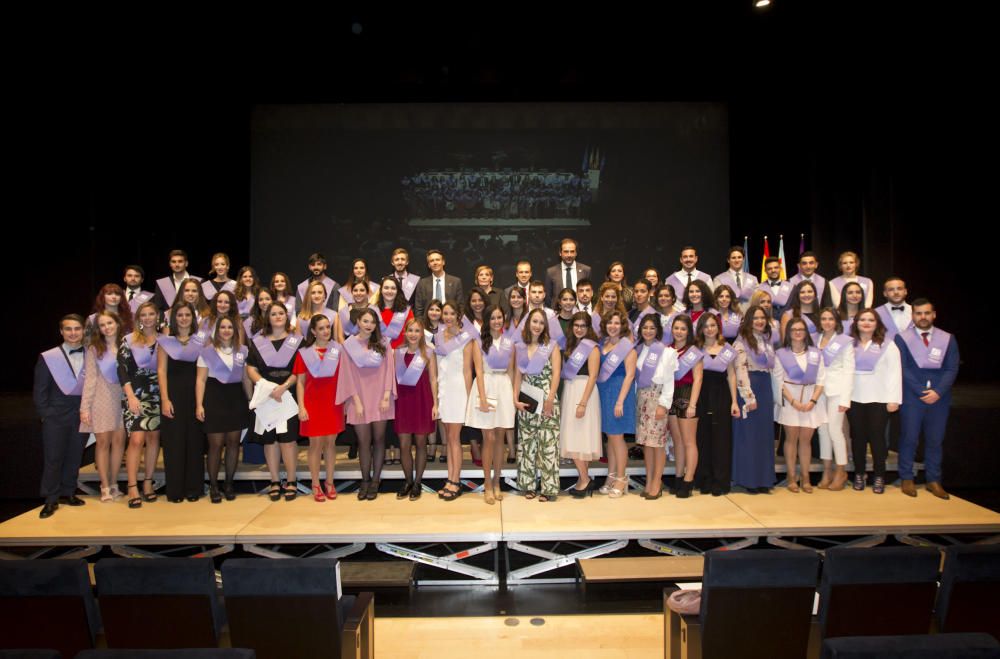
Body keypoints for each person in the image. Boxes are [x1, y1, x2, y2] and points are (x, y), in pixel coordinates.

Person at [895, 299, 958, 499]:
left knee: (935, 440)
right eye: (919, 313)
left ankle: (933, 480)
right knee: (909, 438)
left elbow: (952, 368)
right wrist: (921, 391)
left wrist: (938, 391)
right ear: (913, 315)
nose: (923, 317)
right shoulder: (902, 338)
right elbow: (902, 368)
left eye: (927, 313)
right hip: (912, 396)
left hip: (940, 398)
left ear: (934, 314)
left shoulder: (947, 338)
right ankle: (906, 477)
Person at [336, 308, 398, 500]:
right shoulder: (349, 345)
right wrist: (356, 400)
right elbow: (347, 374)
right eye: (365, 321)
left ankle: (376, 481)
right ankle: (364, 480)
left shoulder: (384, 343)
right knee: (363, 442)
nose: (369, 325)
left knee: (379, 440)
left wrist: (387, 395)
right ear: (359, 322)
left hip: (380, 397)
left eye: (372, 322)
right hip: (359, 399)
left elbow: (389, 369)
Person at [34, 314, 89, 518]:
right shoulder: (48, 357)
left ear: (83, 330)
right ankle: (51, 499)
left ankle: (69, 492)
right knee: (54, 458)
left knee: (75, 456)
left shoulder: (91, 354)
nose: (73, 333)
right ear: (61, 331)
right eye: (68, 329)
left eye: (77, 329)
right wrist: (46, 414)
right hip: (56, 415)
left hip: (82, 413)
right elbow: (40, 390)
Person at [246, 303, 301, 502]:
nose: (277, 317)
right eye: (273, 314)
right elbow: (250, 368)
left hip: (288, 393)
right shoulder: (258, 341)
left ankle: (292, 480)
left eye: (281, 313)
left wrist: (283, 387)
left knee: (288, 440)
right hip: (266, 394)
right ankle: (275, 481)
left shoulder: (297, 341)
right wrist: (264, 385)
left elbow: (299, 370)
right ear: (267, 317)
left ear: (286, 317)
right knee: (270, 440)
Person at [196, 316, 251, 503]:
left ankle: (228, 483)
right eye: (223, 327)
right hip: (214, 398)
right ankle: (213, 485)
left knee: (234, 443)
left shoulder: (243, 350)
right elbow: (200, 380)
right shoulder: (207, 352)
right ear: (216, 330)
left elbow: (245, 378)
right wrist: (199, 404)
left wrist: (251, 399)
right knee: (216, 444)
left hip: (236, 398)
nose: (226, 330)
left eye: (230, 327)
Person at [848, 309, 902, 494]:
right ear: (856, 322)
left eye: (871, 320)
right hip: (854, 398)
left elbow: (895, 373)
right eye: (862, 319)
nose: (866, 323)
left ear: (877, 323)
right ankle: (859, 474)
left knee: (877, 439)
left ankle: (879, 475)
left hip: (879, 399)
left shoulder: (888, 345)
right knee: (858, 439)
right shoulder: (849, 345)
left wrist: (893, 399)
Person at [466, 305, 516, 504]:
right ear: (487, 321)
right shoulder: (478, 342)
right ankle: (487, 483)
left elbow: (511, 371)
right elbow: (478, 370)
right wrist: (482, 397)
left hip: (503, 386)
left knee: (500, 437)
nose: (496, 321)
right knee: (488, 437)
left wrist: (512, 396)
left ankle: (497, 481)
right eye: (493, 318)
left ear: (503, 319)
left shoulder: (509, 342)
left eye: (499, 317)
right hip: (486, 387)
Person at [156, 302, 206, 503]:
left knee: (195, 442)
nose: (184, 318)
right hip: (173, 396)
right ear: (174, 318)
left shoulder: (201, 341)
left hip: (195, 396)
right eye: (180, 315)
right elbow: (161, 371)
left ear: (193, 318)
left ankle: (194, 488)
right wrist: (165, 399)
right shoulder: (165, 342)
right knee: (174, 443)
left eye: (187, 315)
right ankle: (175, 490)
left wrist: (200, 402)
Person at [294, 314, 345, 502]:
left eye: (328, 327)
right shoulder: (304, 353)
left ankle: (329, 482)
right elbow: (300, 382)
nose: (325, 331)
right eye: (321, 328)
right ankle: (315, 484)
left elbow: (343, 377)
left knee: (331, 444)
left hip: (333, 403)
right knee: (315, 445)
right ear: (314, 331)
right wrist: (301, 407)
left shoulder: (338, 350)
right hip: (312, 403)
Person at [773, 317, 826, 493]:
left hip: (811, 400)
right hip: (790, 401)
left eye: (801, 329)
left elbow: (821, 379)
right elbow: (778, 381)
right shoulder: (781, 354)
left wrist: (812, 401)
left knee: (805, 441)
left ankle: (806, 477)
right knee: (791, 439)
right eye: (794, 329)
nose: (797, 332)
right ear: (788, 332)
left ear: (806, 332)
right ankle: (791, 477)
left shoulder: (815, 353)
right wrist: (794, 401)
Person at [514, 308, 563, 501]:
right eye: (534, 322)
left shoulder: (551, 346)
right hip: (526, 398)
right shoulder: (520, 346)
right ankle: (528, 485)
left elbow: (556, 374)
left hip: (547, 398)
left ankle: (548, 488)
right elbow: (518, 374)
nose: (537, 326)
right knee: (527, 444)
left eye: (541, 323)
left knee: (548, 444)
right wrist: (515, 399)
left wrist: (550, 398)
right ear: (528, 324)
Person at [79, 311, 126, 503]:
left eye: (109, 323)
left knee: (119, 443)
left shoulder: (127, 345)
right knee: (103, 443)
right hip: (101, 397)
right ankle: (104, 486)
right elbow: (89, 379)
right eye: (102, 325)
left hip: (123, 398)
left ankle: (114, 484)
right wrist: (85, 407)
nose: (107, 327)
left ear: (117, 323)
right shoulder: (94, 349)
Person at [119, 302, 162, 508]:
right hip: (136, 395)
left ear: (157, 316)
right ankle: (132, 485)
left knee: (154, 438)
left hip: (159, 395)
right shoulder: (128, 340)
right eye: (143, 314)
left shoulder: (165, 340)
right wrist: (130, 396)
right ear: (138, 318)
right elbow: (122, 369)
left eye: (151, 314)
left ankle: (148, 482)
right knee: (136, 439)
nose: (147, 318)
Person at [693, 313, 740, 496]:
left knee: (721, 439)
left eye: (713, 325)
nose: (709, 329)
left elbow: (732, 375)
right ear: (701, 329)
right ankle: (704, 479)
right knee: (702, 438)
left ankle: (720, 481)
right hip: (702, 395)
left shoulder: (727, 349)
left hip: (722, 395)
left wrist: (734, 401)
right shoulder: (696, 349)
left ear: (718, 327)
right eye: (706, 326)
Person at [433, 301, 475, 501]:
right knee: (448, 438)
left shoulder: (466, 339)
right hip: (444, 389)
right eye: (445, 313)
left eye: (452, 313)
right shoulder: (439, 337)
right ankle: (449, 477)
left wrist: (468, 398)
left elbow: (468, 370)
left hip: (458, 391)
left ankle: (456, 481)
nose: (448, 317)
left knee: (455, 438)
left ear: (459, 316)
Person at [731, 305, 775, 493]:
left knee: (764, 437)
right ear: (748, 320)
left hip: (766, 388)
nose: (759, 321)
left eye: (762, 318)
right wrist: (748, 397)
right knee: (749, 437)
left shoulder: (767, 341)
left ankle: (764, 479)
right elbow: (740, 371)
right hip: (750, 391)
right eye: (755, 318)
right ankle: (749, 480)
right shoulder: (741, 343)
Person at [394, 318, 439, 500]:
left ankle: (418, 482)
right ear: (405, 332)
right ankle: (408, 481)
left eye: (417, 331)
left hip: (422, 400)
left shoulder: (429, 352)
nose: (413, 334)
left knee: (421, 443)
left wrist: (435, 404)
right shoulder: (397, 352)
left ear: (422, 334)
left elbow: (433, 379)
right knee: (404, 444)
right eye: (410, 330)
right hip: (403, 401)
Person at [633, 315, 677, 499]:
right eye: (645, 327)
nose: (648, 331)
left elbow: (669, 381)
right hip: (642, 400)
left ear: (657, 330)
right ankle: (649, 480)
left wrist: (664, 405)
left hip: (657, 399)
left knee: (657, 444)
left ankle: (657, 482)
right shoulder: (639, 349)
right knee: (646, 444)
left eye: (652, 328)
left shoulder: (666, 352)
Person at [560, 311, 603, 497]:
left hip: (584, 392)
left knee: (580, 436)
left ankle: (585, 479)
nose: (579, 329)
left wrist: (583, 403)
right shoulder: (569, 346)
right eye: (576, 325)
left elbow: (593, 376)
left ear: (588, 328)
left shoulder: (592, 348)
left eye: (583, 326)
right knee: (575, 435)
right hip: (570, 391)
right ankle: (584, 478)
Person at [595, 310, 636, 498]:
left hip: (620, 394)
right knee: (610, 438)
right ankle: (611, 476)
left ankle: (621, 478)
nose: (613, 326)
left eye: (617, 323)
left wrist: (620, 401)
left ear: (623, 326)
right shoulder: (602, 344)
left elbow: (630, 375)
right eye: (610, 322)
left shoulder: (627, 347)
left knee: (618, 438)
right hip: (604, 393)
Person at [813, 308, 854, 491]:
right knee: (822, 431)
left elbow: (849, 370)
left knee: (835, 430)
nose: (827, 322)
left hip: (837, 391)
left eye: (830, 319)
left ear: (836, 321)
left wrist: (846, 399)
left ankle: (841, 471)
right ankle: (826, 471)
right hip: (818, 390)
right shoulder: (814, 339)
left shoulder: (845, 341)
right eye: (824, 319)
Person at [667, 314, 704, 497]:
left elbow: (698, 379)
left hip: (687, 395)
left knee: (689, 441)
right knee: (678, 441)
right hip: (671, 395)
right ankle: (679, 476)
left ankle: (689, 480)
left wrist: (693, 404)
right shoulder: (667, 349)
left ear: (688, 331)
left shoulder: (693, 352)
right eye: (676, 328)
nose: (679, 332)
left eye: (683, 329)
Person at [413, 249, 464, 320]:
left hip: (450, 322)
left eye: (437, 260)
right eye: (432, 261)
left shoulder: (456, 281)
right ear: (429, 265)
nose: (435, 263)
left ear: (443, 262)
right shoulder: (422, 283)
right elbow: (418, 309)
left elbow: (460, 306)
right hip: (428, 324)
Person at [545, 238, 591, 305]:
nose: (569, 255)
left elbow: (588, 293)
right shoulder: (551, 272)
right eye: (566, 252)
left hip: (580, 312)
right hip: (558, 312)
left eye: (572, 251)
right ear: (560, 253)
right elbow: (548, 297)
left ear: (576, 253)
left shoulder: (586, 270)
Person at [664, 246, 714, 310]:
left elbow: (711, 301)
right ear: (681, 260)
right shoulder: (670, 280)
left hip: (701, 317)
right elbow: (667, 303)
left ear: (696, 259)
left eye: (691, 256)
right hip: (677, 317)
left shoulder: (706, 278)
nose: (688, 259)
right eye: (685, 257)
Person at [376, 276, 413, 350]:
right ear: (381, 290)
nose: (389, 291)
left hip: (400, 353)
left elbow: (412, 334)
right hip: (377, 354)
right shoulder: (374, 310)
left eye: (393, 288)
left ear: (398, 291)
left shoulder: (406, 311)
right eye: (386, 288)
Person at [876, 276, 913, 342]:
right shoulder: (876, 313)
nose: (896, 292)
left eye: (899, 289)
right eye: (891, 289)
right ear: (885, 293)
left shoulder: (916, 311)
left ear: (905, 291)